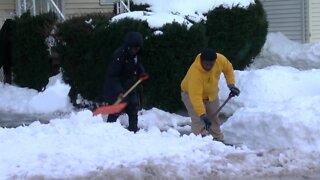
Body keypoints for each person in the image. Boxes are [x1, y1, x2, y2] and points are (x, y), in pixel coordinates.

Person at [180, 48, 240, 142]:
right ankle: (199, 142)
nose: (208, 66)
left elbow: (228, 69)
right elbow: (195, 97)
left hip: (211, 94)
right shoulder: (195, 73)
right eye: (206, 63)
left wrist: (231, 85)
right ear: (202, 61)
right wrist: (202, 115)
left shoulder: (220, 60)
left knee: (214, 117)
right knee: (198, 120)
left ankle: (218, 139)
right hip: (190, 94)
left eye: (211, 64)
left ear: (215, 61)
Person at [103, 31, 147, 133]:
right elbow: (113, 76)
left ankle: (133, 131)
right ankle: (108, 130)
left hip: (130, 85)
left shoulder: (136, 54)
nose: (136, 50)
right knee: (116, 109)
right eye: (134, 48)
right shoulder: (119, 56)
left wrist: (142, 73)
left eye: (138, 48)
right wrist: (119, 91)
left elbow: (138, 65)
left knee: (133, 107)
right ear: (129, 46)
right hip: (117, 87)